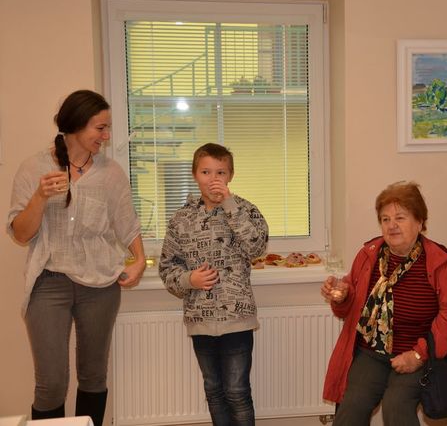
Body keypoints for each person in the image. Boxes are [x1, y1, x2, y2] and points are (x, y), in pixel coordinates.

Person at [6, 89, 146, 425]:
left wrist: (140, 260)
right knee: (51, 383)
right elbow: (21, 234)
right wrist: (40, 197)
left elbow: (127, 224)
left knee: (94, 375)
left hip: (100, 285)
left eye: (107, 128)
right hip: (48, 283)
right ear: (76, 125)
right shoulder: (34, 168)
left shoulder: (111, 173)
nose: (106, 136)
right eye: (100, 128)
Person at [321, 181, 447, 425]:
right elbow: (350, 305)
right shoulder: (368, 255)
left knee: (396, 405)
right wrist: (342, 297)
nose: (391, 225)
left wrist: (418, 355)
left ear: (419, 222)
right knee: (352, 404)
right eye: (385, 219)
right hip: (372, 352)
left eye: (400, 218)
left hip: (417, 352)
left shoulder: (438, 261)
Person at [159, 143, 269, 426]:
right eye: (206, 172)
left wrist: (230, 206)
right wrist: (190, 280)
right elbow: (167, 267)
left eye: (220, 172)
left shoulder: (245, 210)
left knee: (237, 391)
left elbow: (256, 247)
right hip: (200, 319)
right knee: (214, 390)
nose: (213, 179)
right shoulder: (181, 219)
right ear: (195, 174)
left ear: (230, 175)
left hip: (237, 318)